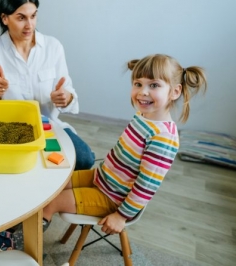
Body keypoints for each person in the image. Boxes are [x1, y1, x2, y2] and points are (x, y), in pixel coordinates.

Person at [11, 53, 207, 250]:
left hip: (112, 198)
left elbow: (146, 186)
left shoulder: (163, 138)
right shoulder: (144, 116)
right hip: (101, 178)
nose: (143, 92)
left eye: (154, 85)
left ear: (175, 92)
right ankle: (19, 228)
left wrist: (121, 216)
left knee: (49, 204)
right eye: (138, 84)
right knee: (51, 185)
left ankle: (20, 247)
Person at [0, 0, 95, 171]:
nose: (29, 25)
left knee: (85, 160)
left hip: (48, 127)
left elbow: (70, 93)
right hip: (11, 128)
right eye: (21, 18)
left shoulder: (53, 47)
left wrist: (66, 97)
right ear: (5, 18)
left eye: (33, 16)